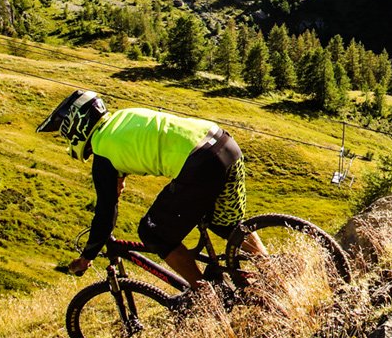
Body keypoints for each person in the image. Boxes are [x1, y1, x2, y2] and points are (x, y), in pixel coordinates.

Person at [36, 90, 266, 285]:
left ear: (76, 127)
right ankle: (272, 269)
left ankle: (205, 294)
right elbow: (140, 144)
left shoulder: (102, 151)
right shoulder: (123, 117)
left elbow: (105, 213)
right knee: (225, 224)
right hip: (223, 144)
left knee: (152, 232)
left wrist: (87, 256)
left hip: (198, 164)